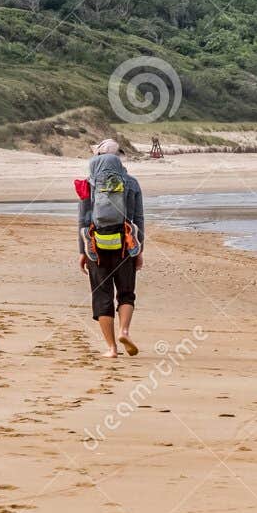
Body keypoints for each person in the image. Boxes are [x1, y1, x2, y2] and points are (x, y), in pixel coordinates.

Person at [77, 140, 145, 359]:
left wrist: (82, 251)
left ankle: (112, 348)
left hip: (96, 244)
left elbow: (83, 221)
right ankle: (124, 331)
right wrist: (140, 250)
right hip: (125, 245)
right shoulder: (131, 184)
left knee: (101, 295)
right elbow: (138, 218)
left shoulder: (88, 184)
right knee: (126, 292)